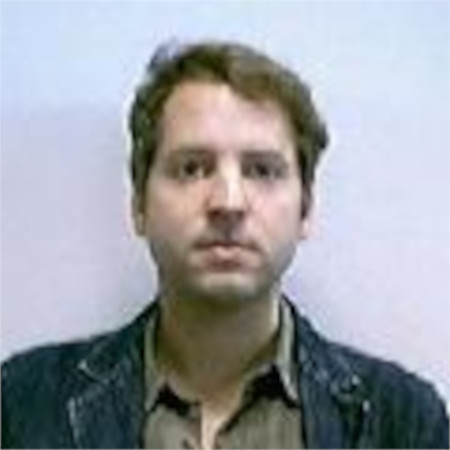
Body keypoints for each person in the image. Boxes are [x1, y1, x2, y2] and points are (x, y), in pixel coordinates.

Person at [1, 40, 448, 449]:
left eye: (262, 170)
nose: (228, 203)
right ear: (139, 204)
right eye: (192, 168)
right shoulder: (22, 405)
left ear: (306, 207)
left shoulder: (404, 422)